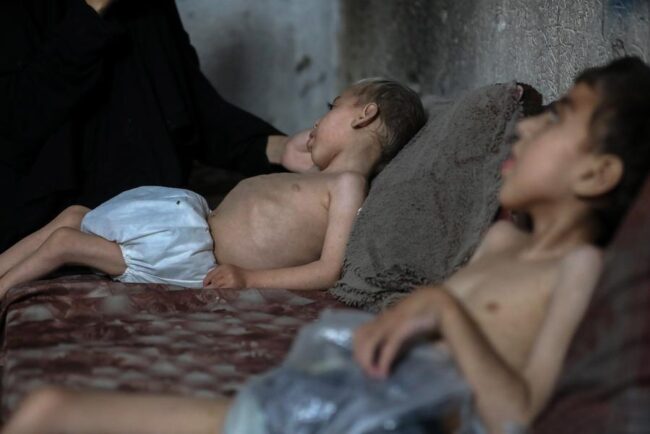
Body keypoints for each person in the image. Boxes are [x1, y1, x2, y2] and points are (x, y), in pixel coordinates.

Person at [4, 56, 650, 434]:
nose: (528, 127)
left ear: (598, 173)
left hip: (367, 420)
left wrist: (443, 311)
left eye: (559, 118)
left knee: (50, 410)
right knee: (47, 407)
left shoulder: (581, 268)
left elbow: (519, 418)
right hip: (328, 394)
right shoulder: (502, 242)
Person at [0, 78, 427, 297]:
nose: (317, 120)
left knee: (65, 243)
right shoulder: (319, 178)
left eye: (332, 107)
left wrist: (249, 279)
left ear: (365, 115)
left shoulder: (348, 185)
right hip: (182, 224)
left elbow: (329, 270)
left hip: (186, 254)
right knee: (75, 215)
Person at [0, 0, 312, 254]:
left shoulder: (150, 7)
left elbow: (194, 109)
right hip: (47, 234)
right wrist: (92, 10)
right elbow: (17, 124)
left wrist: (277, 148)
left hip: (151, 229)